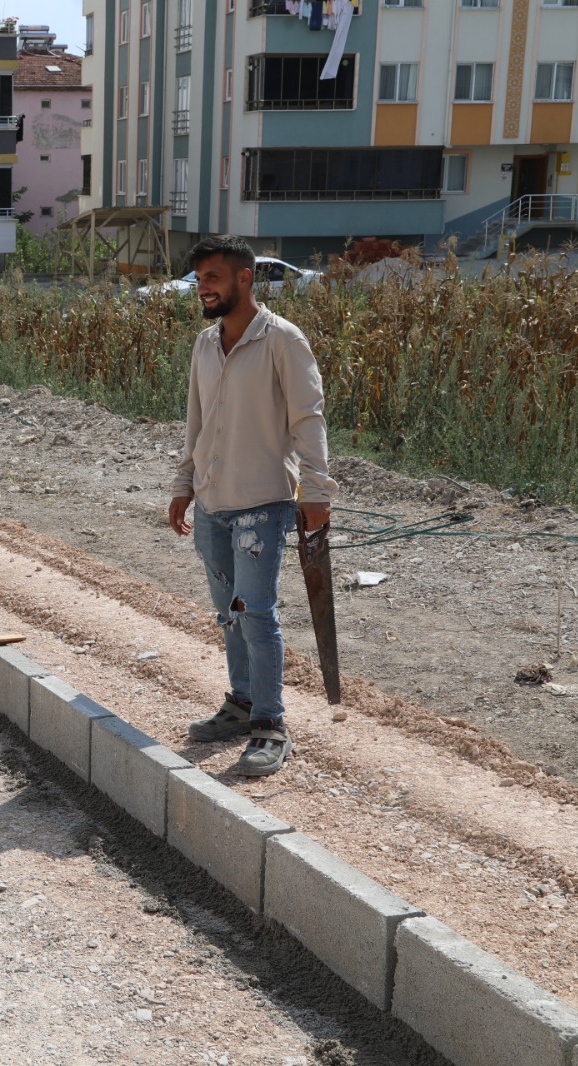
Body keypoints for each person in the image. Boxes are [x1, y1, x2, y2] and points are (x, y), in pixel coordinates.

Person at [167, 235, 337, 777]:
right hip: (213, 501)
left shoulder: (282, 340)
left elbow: (308, 419)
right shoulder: (204, 344)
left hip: (262, 502)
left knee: (255, 613)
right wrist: (183, 483)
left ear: (245, 278)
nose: (204, 287)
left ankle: (270, 724)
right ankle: (240, 704)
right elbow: (195, 420)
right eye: (199, 279)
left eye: (214, 277)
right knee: (229, 615)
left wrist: (316, 491)